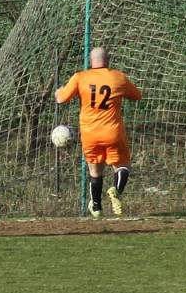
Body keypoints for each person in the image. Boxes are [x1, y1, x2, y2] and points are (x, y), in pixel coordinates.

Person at [55, 47, 142, 217]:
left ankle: (96, 207)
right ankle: (116, 189)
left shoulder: (80, 77)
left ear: (90, 61)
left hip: (90, 133)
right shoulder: (118, 77)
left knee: (95, 171)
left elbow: (62, 99)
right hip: (113, 132)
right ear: (107, 60)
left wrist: (59, 92)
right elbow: (137, 96)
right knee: (122, 166)